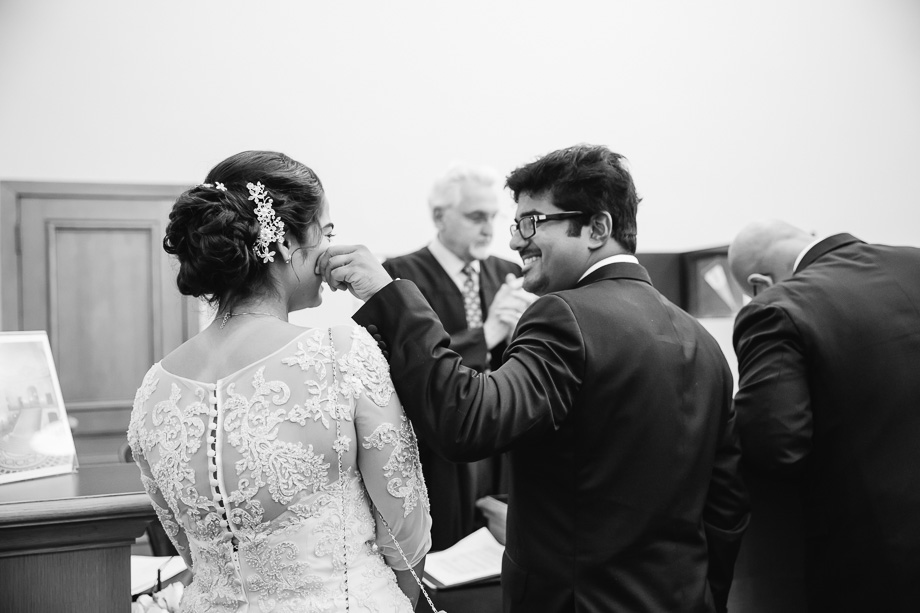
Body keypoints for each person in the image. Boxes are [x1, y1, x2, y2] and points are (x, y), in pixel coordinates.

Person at [319, 144, 751, 613]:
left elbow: (467, 420)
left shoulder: (565, 315)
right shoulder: (701, 340)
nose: (514, 240)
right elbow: (726, 505)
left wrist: (389, 297)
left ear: (597, 228)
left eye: (532, 222)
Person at [126, 151, 432, 613]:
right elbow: (404, 529)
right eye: (326, 233)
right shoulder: (340, 353)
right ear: (287, 240)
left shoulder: (154, 388)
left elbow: (190, 549)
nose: (332, 249)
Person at [728, 220, 920, 612]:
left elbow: (774, 445)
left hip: (881, 562)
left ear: (757, 284)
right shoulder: (914, 261)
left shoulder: (777, 307)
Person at [381, 164, 534, 550]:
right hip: (437, 450)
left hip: (500, 440)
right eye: (475, 217)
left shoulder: (509, 272)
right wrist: (487, 334)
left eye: (493, 217)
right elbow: (405, 363)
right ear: (439, 217)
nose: (489, 228)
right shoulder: (400, 276)